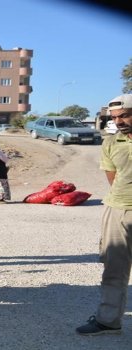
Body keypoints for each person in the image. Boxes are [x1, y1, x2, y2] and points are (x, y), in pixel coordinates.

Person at [76, 93, 132, 336]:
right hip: (118, 209)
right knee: (114, 267)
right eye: (115, 117)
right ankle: (108, 321)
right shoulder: (110, 143)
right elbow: (113, 178)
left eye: (124, 115)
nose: (119, 121)